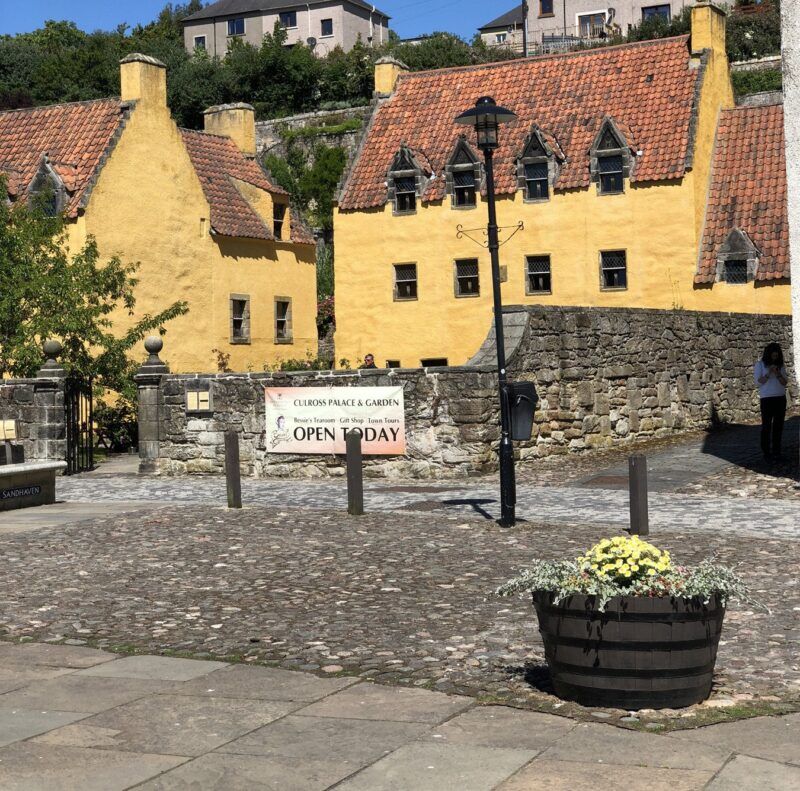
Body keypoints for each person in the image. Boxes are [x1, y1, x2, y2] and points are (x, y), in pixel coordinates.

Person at [754, 342, 789, 461]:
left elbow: (785, 382)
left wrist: (778, 373)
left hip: (780, 398)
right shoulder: (760, 365)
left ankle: (777, 451)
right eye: (773, 356)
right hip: (767, 399)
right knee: (766, 426)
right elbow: (758, 382)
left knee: (778, 426)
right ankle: (766, 452)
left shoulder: (781, 366)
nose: (775, 358)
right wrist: (769, 373)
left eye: (777, 356)